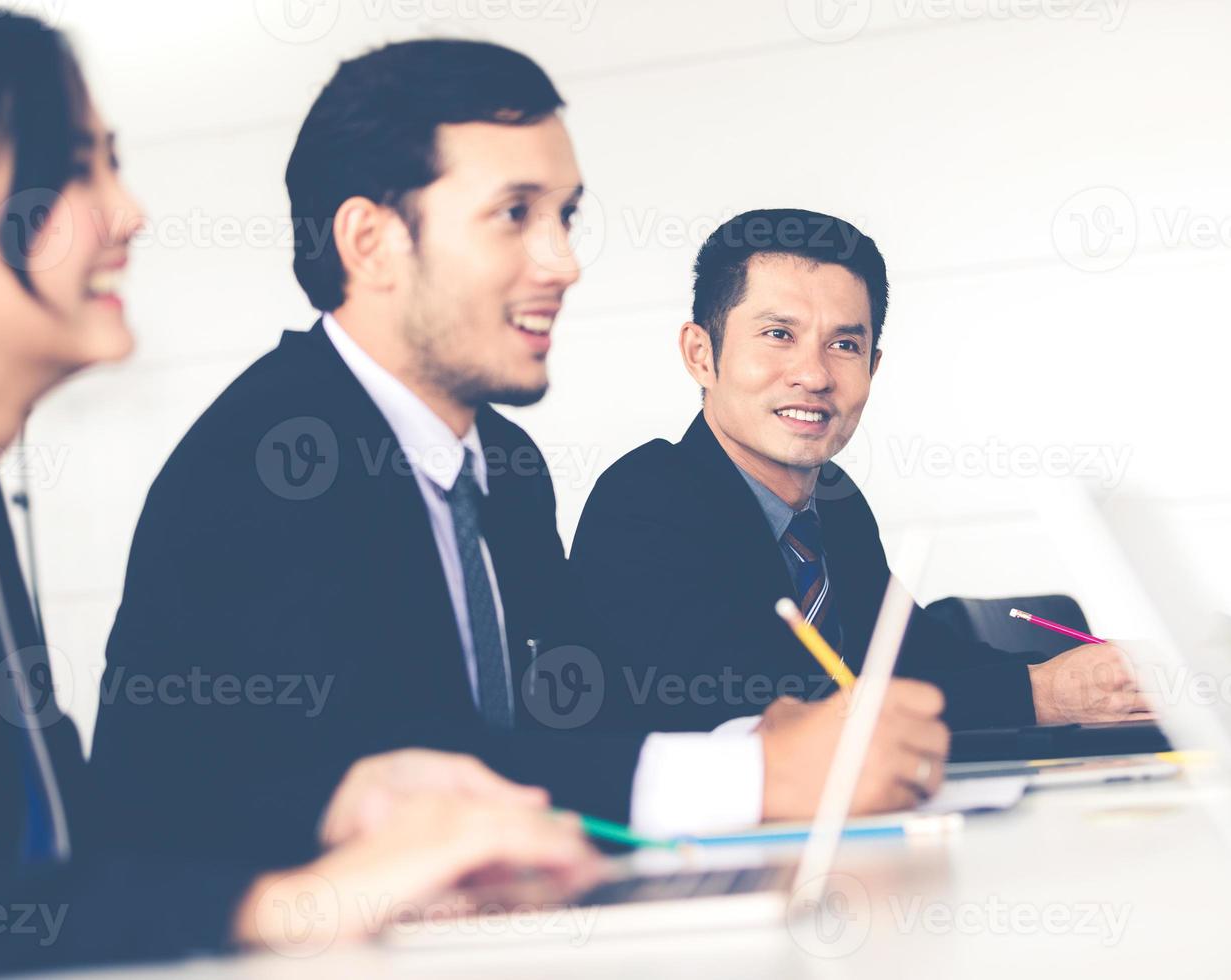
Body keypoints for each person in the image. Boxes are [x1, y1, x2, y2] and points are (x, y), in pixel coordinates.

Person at [86, 38, 950, 857]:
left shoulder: (505, 464)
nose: (564, 262)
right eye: (515, 214)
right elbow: (379, 780)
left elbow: (581, 718)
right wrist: (747, 774)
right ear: (370, 242)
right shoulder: (272, 461)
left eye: (565, 216)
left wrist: (760, 738)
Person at [0, 9, 599, 975]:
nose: (131, 211)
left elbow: (52, 859)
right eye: (70, 167)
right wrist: (290, 901)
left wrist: (346, 797)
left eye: (112, 161)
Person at [569, 209, 1152, 735]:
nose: (815, 375)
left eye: (844, 345)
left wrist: (1090, 677)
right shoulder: (646, 500)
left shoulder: (834, 500)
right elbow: (774, 709)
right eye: (779, 335)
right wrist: (1039, 694)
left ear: (873, 367)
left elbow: (917, 660)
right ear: (701, 353)